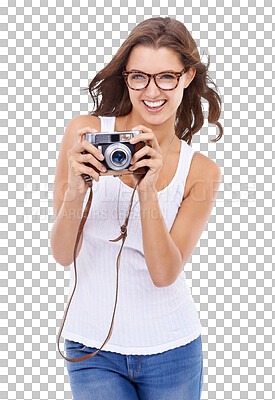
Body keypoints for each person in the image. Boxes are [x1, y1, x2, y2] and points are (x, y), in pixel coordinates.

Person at [50, 16, 223, 400]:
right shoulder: (84, 133)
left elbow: (165, 274)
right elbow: (63, 254)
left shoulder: (201, 171)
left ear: (188, 76)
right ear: (125, 77)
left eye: (166, 77)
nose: (152, 91)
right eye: (139, 76)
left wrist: (148, 190)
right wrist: (76, 190)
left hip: (173, 349)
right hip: (92, 347)